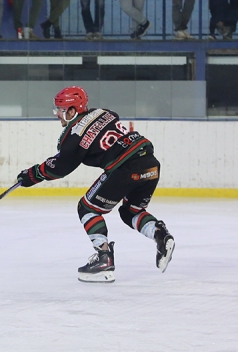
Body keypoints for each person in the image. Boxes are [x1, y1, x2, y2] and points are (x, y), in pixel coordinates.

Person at [16, 86, 175, 283]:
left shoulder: (73, 136)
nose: (58, 115)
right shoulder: (103, 112)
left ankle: (103, 259)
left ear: (73, 110)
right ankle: (160, 234)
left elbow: (60, 167)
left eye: (61, 110)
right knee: (130, 212)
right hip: (150, 164)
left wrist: (31, 175)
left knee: (86, 208)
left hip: (125, 168)